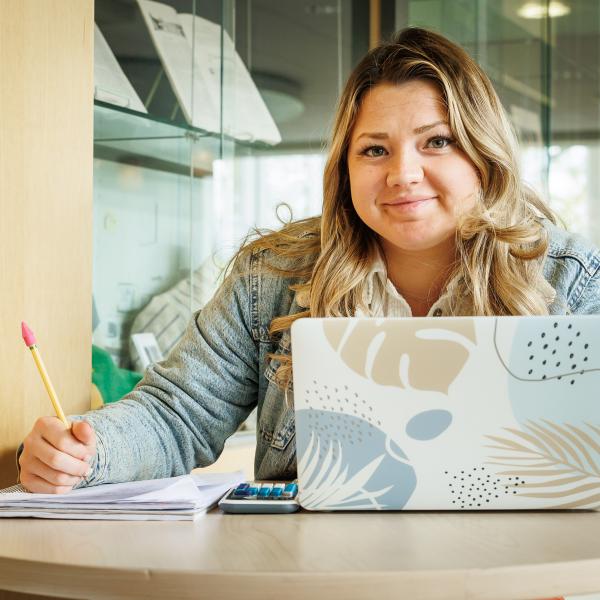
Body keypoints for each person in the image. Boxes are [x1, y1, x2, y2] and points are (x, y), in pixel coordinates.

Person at [18, 27, 600, 494]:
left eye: (437, 141)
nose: (402, 173)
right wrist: (87, 450)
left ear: (484, 155)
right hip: (319, 575)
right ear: (345, 173)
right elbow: (177, 415)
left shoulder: (572, 277)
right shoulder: (271, 277)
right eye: (374, 149)